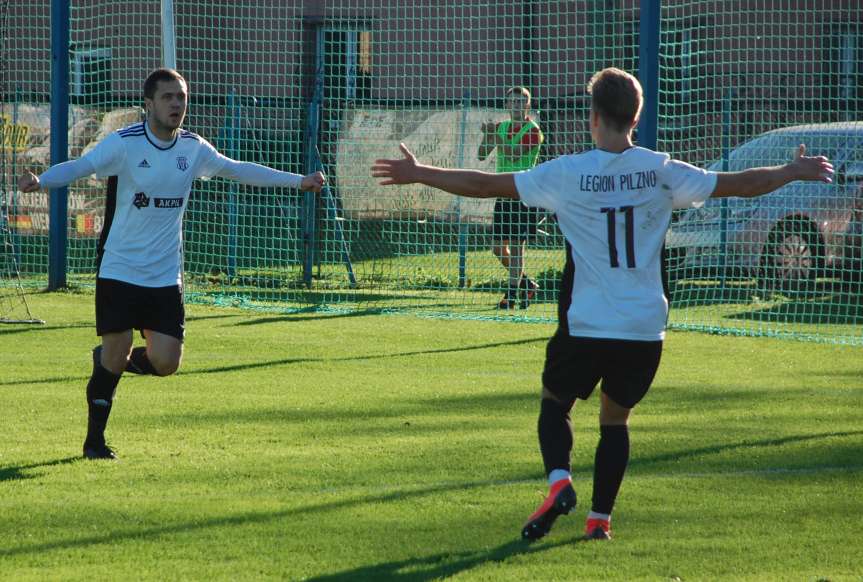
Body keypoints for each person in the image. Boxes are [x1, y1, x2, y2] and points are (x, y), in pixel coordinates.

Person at [372, 67, 833, 541]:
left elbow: (486, 185)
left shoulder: (568, 173)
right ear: (637, 117)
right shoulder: (661, 169)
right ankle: (599, 521)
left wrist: (418, 172)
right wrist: (791, 171)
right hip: (642, 325)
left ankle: (559, 481)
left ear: (593, 117)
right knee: (615, 420)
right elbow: (737, 183)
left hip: (587, 321)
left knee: (555, 404)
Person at [18, 68, 325, 460]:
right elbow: (81, 166)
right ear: (149, 104)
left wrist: (298, 181)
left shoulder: (193, 149)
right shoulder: (125, 144)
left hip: (164, 275)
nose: (177, 104)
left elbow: (238, 169)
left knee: (166, 362)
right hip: (120, 268)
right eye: (168, 97)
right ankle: (94, 441)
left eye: (181, 97)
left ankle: (110, 361)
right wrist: (42, 181)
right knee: (117, 354)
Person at [477, 87, 544, 309]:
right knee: (498, 248)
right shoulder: (501, 127)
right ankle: (527, 284)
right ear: (506, 104)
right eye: (512, 101)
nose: (516, 105)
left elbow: (515, 156)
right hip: (503, 194)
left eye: (521, 101)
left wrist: (495, 135)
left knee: (516, 247)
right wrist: (489, 136)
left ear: (528, 105)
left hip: (524, 193)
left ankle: (511, 296)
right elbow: (482, 154)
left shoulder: (533, 130)